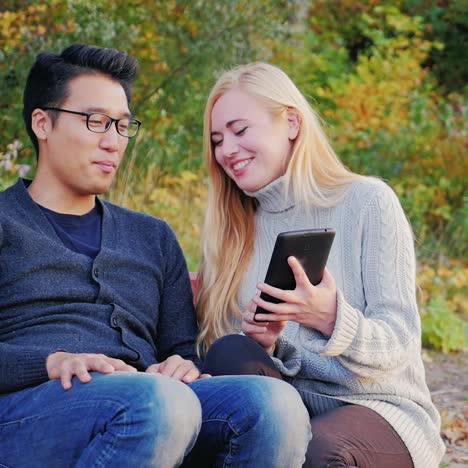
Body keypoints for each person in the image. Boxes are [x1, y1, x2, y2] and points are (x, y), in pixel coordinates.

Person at [0, 45, 311, 467]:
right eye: (96, 122)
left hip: (147, 400)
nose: (113, 142)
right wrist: (50, 360)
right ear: (43, 123)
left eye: (123, 126)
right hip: (29, 412)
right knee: (159, 403)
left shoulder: (152, 237)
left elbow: (181, 348)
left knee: (273, 405)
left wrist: (180, 366)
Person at [195, 62, 446, 468]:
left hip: (379, 408)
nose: (226, 150)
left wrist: (332, 319)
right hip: (286, 410)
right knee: (230, 351)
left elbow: (399, 344)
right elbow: (226, 360)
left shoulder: (366, 202)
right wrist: (270, 343)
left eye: (240, 131)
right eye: (217, 139)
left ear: (291, 122)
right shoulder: (232, 231)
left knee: (320, 453)